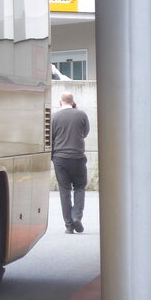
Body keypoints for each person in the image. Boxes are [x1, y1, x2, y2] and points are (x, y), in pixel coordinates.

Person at [51, 91, 90, 233]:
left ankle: (69, 226)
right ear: (73, 102)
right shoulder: (81, 115)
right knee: (79, 188)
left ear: (60, 102)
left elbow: (50, 138)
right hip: (78, 158)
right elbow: (85, 133)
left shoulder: (54, 117)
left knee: (64, 192)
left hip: (60, 159)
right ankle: (77, 217)